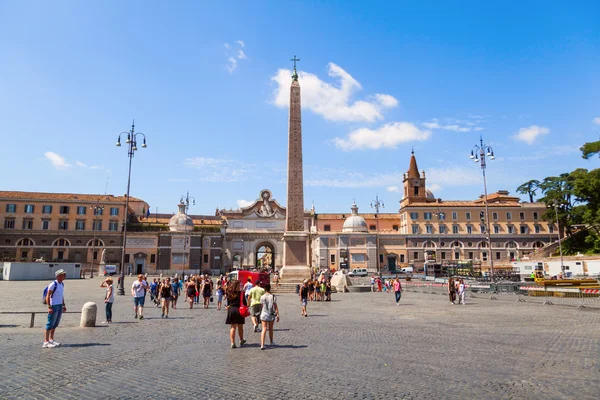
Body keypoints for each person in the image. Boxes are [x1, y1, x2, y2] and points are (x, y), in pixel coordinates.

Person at [43, 269, 67, 348]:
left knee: (55, 324)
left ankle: (51, 339)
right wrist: (49, 307)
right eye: (63, 275)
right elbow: (48, 296)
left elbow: (61, 295)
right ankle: (46, 342)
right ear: (58, 276)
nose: (65, 276)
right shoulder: (53, 284)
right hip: (54, 305)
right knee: (50, 323)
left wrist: (63, 305)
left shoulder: (62, 284)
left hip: (59, 305)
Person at [225, 280, 247, 348]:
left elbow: (228, 303)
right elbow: (245, 303)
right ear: (237, 286)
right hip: (239, 310)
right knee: (240, 327)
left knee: (233, 327)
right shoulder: (241, 293)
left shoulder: (229, 292)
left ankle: (232, 342)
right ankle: (241, 340)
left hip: (231, 309)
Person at [259, 284, 279, 350]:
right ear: (270, 288)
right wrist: (278, 315)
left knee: (264, 328)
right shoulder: (273, 296)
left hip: (264, 313)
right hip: (271, 313)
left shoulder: (262, 297)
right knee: (270, 329)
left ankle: (262, 344)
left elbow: (261, 306)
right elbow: (275, 306)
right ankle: (271, 342)